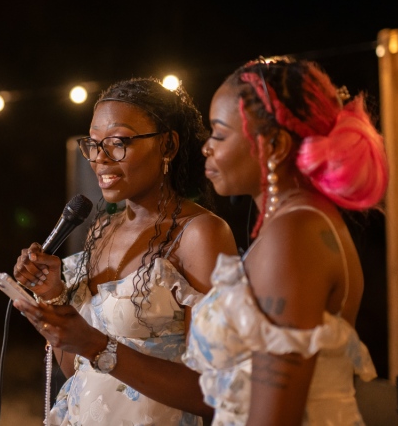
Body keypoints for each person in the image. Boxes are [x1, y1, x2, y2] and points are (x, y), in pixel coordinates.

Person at [13, 77, 238, 425]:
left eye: (118, 143)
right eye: (93, 144)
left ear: (167, 145)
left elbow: (213, 394)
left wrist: (96, 345)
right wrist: (52, 295)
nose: (100, 159)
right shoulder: (101, 230)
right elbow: (77, 369)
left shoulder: (201, 234)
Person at [182, 58, 388, 425]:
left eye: (219, 134)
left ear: (275, 145)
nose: (206, 148)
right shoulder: (296, 224)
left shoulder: (295, 234)